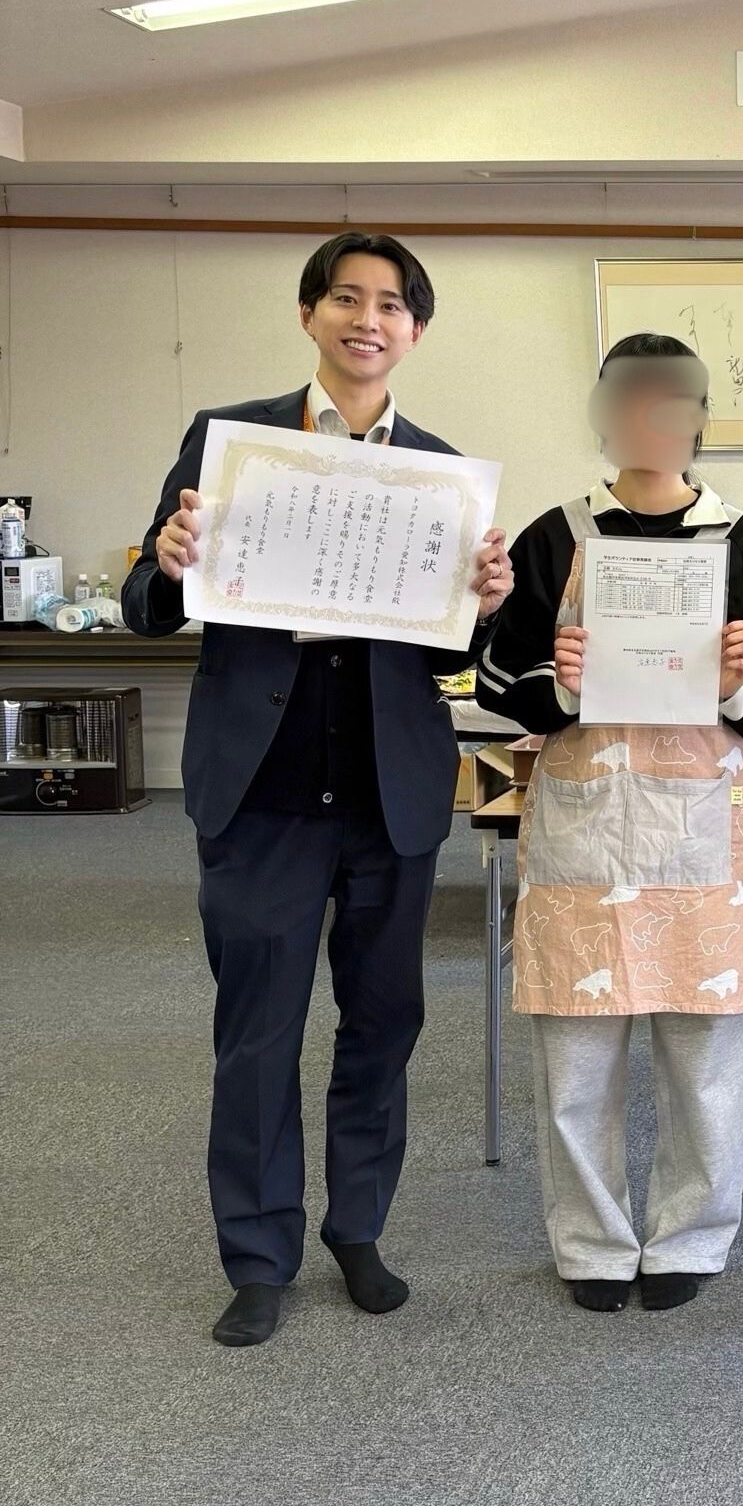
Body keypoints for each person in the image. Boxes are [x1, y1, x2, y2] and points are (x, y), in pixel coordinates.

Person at [122, 233, 513, 1348]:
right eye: (348, 297)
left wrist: (478, 607)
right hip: (263, 793)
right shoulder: (229, 440)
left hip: (391, 795)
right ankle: (257, 1253)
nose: (368, 318)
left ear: (415, 334)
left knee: (383, 1024)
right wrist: (168, 551)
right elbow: (150, 603)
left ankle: (359, 1229)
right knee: (258, 1031)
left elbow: (436, 660)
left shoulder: (439, 468)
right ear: (311, 315)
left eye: (392, 305)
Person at [476, 335, 743, 1312]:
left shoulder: (740, 541)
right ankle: (589, 1243)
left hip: (705, 826)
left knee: (706, 1057)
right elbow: (499, 678)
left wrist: (735, 684)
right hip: (587, 824)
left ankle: (692, 1235)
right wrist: (563, 685)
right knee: (577, 1056)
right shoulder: (556, 534)